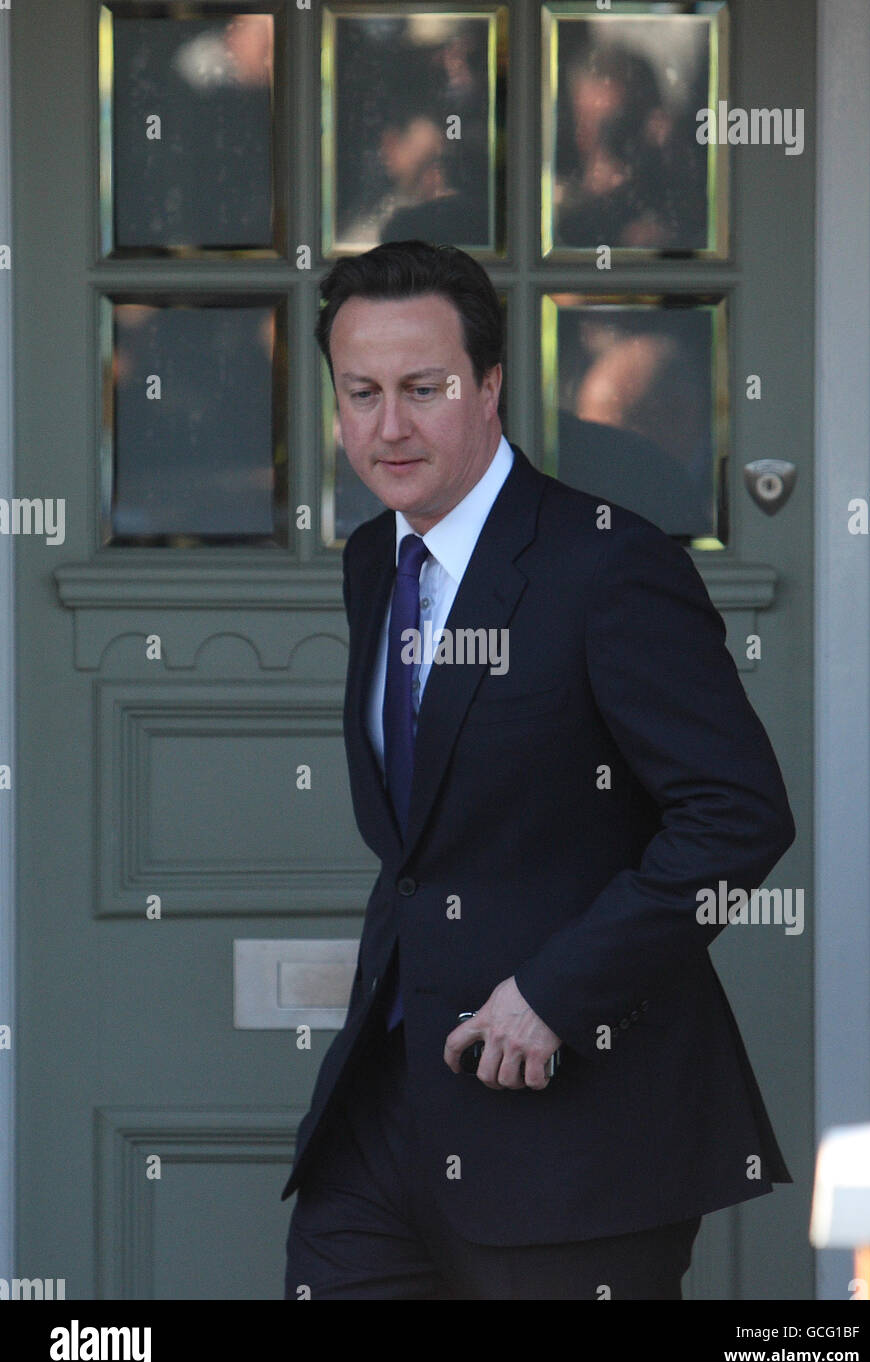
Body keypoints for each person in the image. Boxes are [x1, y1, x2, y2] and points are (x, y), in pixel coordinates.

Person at [281, 239, 795, 1300]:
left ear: (490, 385)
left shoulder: (609, 564)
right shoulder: (375, 561)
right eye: (361, 392)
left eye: (423, 389)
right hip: (384, 1128)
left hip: (580, 1135)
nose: (388, 427)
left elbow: (735, 816)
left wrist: (554, 992)